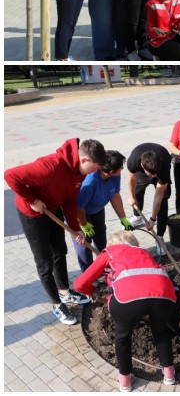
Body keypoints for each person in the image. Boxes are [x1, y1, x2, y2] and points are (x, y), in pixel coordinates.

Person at [5, 138, 105, 325]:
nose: (96, 171)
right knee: (44, 262)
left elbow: (70, 200)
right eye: (95, 167)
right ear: (84, 160)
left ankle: (65, 292)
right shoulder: (50, 167)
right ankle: (57, 304)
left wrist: (76, 230)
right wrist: (32, 201)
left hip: (53, 208)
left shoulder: (79, 172)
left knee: (60, 251)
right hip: (32, 214)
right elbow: (10, 175)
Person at [73, 231, 177, 392]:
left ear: (112, 245)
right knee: (161, 331)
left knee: (122, 336)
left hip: (128, 302)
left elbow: (79, 284)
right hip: (165, 296)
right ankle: (169, 373)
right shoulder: (143, 252)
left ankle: (125, 381)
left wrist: (92, 291)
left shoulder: (110, 252)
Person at [73, 150, 132, 273]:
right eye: (120, 169)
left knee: (100, 237)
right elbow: (78, 207)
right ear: (111, 171)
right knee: (84, 243)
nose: (122, 170)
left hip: (97, 209)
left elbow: (115, 195)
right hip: (80, 212)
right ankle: (88, 273)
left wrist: (123, 218)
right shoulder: (91, 181)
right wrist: (83, 224)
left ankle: (103, 266)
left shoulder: (114, 176)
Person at [125, 142, 172, 239]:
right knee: (137, 193)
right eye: (151, 174)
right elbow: (131, 179)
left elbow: (158, 195)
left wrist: (153, 219)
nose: (153, 177)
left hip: (162, 163)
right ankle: (137, 217)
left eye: (155, 174)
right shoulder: (133, 161)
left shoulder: (164, 167)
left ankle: (160, 236)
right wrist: (131, 196)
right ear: (142, 165)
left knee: (163, 201)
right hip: (141, 173)